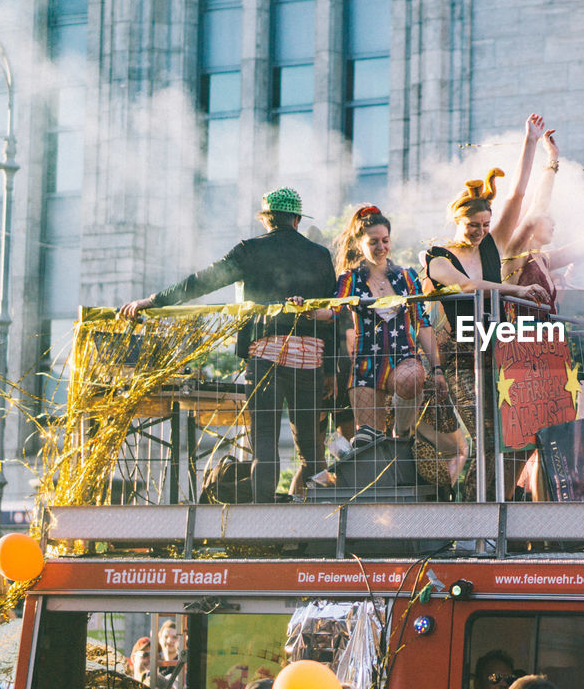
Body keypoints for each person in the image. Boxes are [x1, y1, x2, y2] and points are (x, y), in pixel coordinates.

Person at [119, 187, 337, 502]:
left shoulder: (249, 250)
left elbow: (199, 282)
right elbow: (334, 314)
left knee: (264, 442)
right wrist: (330, 368)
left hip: (266, 355)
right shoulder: (319, 255)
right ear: (297, 220)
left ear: (266, 220)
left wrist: (151, 302)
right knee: (312, 450)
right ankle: (322, 517)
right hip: (310, 358)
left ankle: (262, 521)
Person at [423, 115, 550, 498]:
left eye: (485, 225)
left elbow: (517, 197)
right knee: (484, 435)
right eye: (472, 225)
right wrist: (516, 291)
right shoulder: (438, 255)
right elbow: (465, 284)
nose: (479, 231)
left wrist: (531, 142)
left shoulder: (492, 246)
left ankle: (494, 510)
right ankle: (468, 514)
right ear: (457, 220)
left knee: (514, 437)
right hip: (461, 356)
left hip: (497, 352)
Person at [331, 204, 448, 452]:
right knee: (369, 443)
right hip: (366, 365)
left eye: (385, 240)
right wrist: (304, 307)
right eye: (373, 242)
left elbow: (423, 325)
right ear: (359, 243)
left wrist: (437, 368)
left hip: (403, 359)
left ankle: (403, 432)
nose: (381, 247)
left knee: (412, 380)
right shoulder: (349, 279)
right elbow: (329, 310)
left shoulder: (407, 277)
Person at [503, 127, 584, 316]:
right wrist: (552, 159)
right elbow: (539, 204)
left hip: (545, 340)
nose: (553, 224)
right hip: (520, 342)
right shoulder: (516, 252)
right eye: (548, 219)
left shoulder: (542, 259)